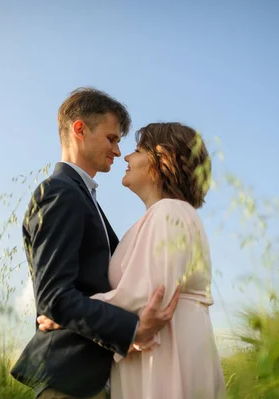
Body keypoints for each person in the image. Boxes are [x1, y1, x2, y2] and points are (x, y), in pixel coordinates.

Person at [10, 88, 181, 399]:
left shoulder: (84, 197)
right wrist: (132, 328)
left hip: (94, 381)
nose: (117, 151)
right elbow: (54, 298)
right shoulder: (60, 193)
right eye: (112, 138)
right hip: (70, 382)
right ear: (80, 129)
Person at [38, 122, 227, 399]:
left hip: (166, 354)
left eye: (138, 150)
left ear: (162, 158)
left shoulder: (169, 211)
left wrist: (68, 315)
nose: (125, 156)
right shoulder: (163, 215)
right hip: (159, 347)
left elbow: (147, 294)